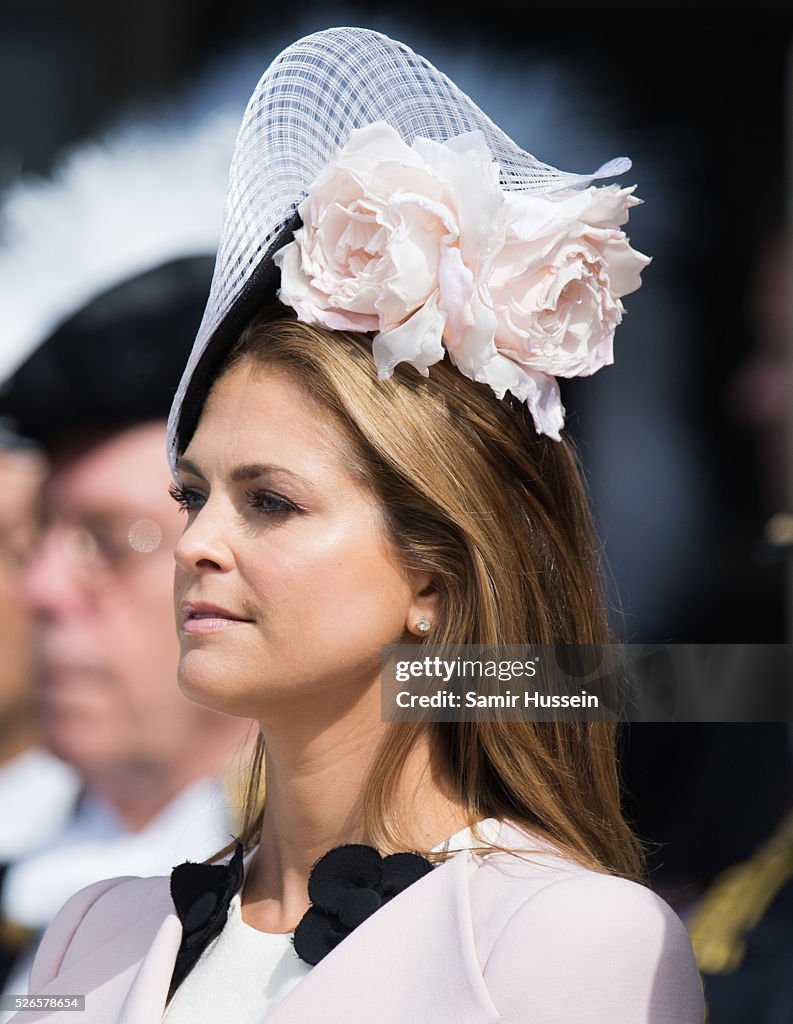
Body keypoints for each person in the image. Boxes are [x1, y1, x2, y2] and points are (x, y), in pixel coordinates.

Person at [12, 28, 704, 1023]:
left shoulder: (570, 939)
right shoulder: (91, 926)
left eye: (271, 502)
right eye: (192, 495)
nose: (198, 544)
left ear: (434, 577)